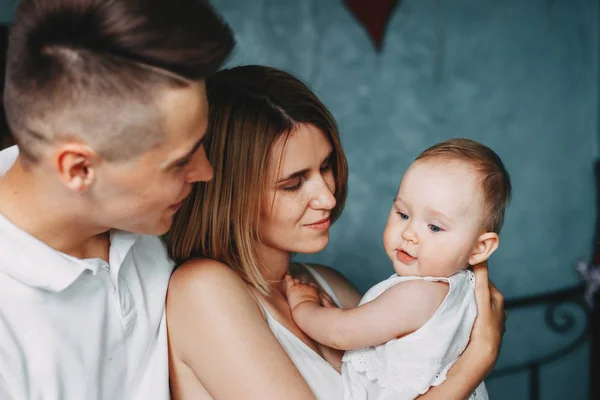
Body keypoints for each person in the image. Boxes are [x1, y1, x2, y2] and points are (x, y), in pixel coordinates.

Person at [165, 66, 507, 400]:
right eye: (293, 183)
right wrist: (477, 361)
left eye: (326, 167)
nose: (328, 197)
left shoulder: (330, 285)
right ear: (229, 194)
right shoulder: (202, 290)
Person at [0, 0, 234, 398]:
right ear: (79, 170)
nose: (206, 172)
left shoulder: (148, 219)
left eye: (201, 144)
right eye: (179, 163)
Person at [285, 138, 511, 400]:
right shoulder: (463, 293)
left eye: (435, 227)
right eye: (403, 214)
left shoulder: (419, 294)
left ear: (479, 248)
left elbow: (340, 333)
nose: (409, 234)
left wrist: (305, 307)